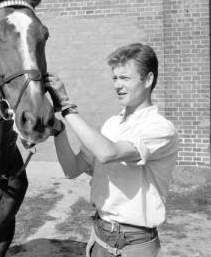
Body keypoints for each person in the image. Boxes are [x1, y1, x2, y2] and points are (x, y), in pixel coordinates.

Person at [45, 43, 178, 257]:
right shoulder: (111, 125)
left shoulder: (160, 128)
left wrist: (67, 105)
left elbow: (108, 153)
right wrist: (59, 130)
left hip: (135, 244)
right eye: (115, 78)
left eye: (125, 78)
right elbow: (72, 169)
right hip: (99, 237)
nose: (117, 85)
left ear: (149, 79)